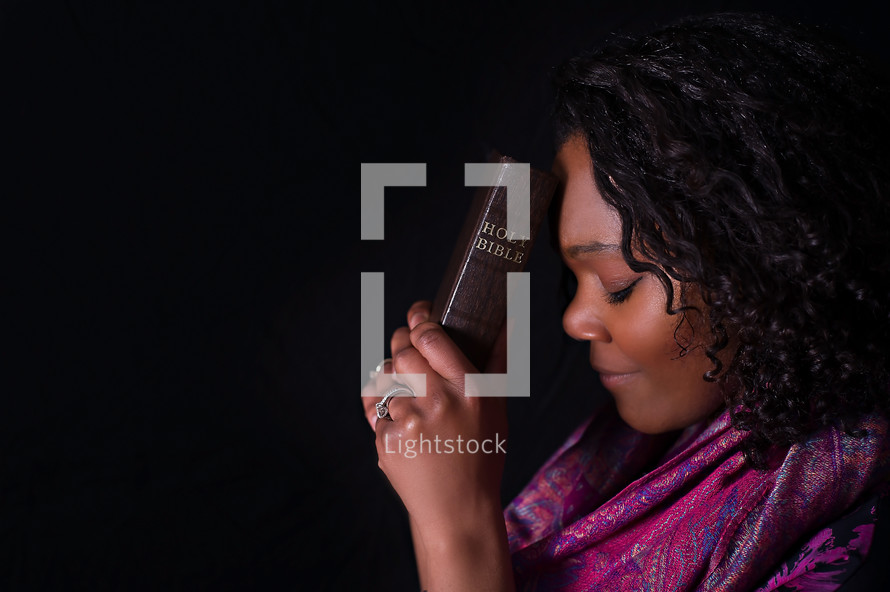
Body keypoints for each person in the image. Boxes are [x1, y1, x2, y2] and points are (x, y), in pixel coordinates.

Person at [362, 11, 890, 591]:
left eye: (618, 284)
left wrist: (455, 528)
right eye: (572, 280)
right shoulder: (650, 458)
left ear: (765, 263)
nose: (574, 320)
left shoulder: (857, 534)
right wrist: (441, 476)